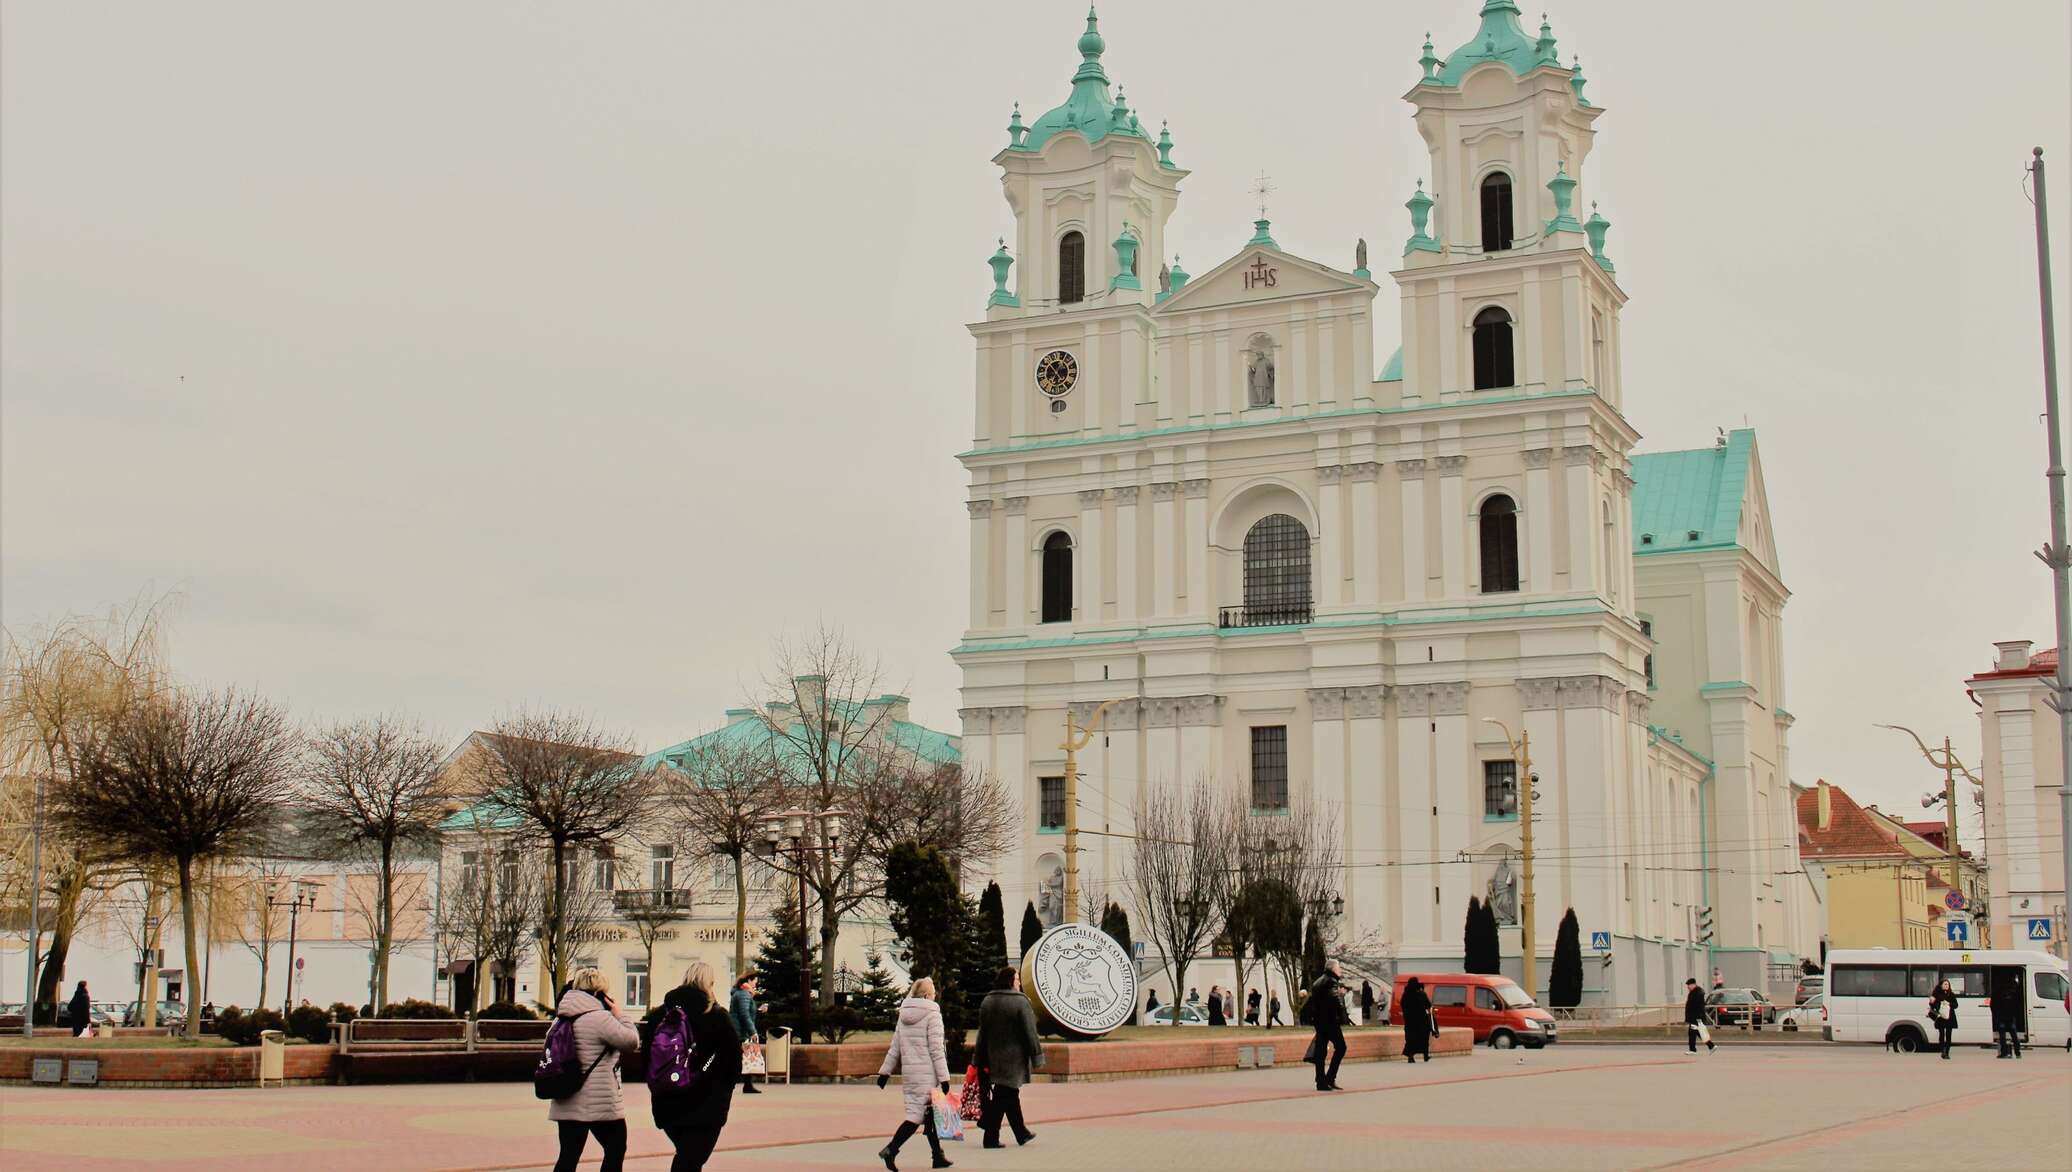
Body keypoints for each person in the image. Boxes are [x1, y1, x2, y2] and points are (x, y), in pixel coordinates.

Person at [641, 960, 741, 1172]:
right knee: (690, 1162)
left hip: (667, 1101)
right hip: (706, 1104)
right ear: (709, 984)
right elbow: (733, 1061)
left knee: (687, 1159)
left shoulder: (661, 1015)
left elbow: (646, 1055)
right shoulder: (716, 1015)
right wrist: (723, 1090)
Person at [547, 967, 642, 1172]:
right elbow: (632, 1041)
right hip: (600, 1104)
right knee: (615, 1150)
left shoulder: (560, 1019)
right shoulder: (600, 1018)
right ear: (600, 993)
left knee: (568, 1156)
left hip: (567, 1098)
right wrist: (620, 1014)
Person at [876, 976, 953, 1171]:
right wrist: (944, 1078)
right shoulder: (933, 1014)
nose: (935, 996)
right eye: (934, 992)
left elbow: (895, 1047)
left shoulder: (903, 1014)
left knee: (929, 1115)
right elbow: (936, 1049)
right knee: (917, 1116)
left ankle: (938, 1156)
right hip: (927, 1075)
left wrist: (885, 1072)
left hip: (910, 1074)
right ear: (927, 995)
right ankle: (891, 1149)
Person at [974, 966, 1043, 1149]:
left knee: (1009, 1094)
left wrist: (978, 1058)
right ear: (1011, 981)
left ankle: (1021, 1133)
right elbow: (1030, 1032)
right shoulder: (1020, 1002)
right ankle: (990, 1137)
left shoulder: (988, 1000)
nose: (1019, 982)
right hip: (1014, 1058)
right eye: (1017, 979)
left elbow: (982, 1033)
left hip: (992, 1056)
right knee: (1004, 1096)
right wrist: (1037, 1057)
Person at [1307, 959, 1347, 1091]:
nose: (1340, 970)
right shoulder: (1332, 981)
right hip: (1330, 1021)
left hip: (1319, 1021)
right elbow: (1335, 1000)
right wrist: (1342, 1013)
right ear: (1333, 969)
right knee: (1341, 1047)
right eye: (1339, 967)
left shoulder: (1317, 982)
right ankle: (1330, 1077)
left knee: (1321, 1051)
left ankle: (1320, 1081)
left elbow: (1316, 1002)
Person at [729, 973, 761, 1094]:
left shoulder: (741, 993)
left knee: (746, 1057)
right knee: (741, 1057)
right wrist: (752, 1031)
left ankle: (748, 1085)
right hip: (740, 1032)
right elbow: (744, 1014)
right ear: (749, 980)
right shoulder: (743, 994)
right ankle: (745, 1085)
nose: (755, 985)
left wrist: (758, 1010)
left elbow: (744, 1011)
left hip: (739, 1031)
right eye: (755, 982)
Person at [1400, 977, 1434, 1063]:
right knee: (1424, 1037)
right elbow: (1428, 1005)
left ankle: (1410, 1056)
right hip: (1421, 1020)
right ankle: (1425, 1055)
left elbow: (1402, 1005)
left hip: (1409, 1021)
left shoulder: (1405, 994)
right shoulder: (1421, 994)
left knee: (1411, 1039)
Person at [1991, 979, 2023, 1059]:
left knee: (2002, 1037)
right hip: (2011, 1018)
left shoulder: (1997, 994)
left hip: (2001, 1018)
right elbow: (2018, 1006)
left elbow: (1993, 1006)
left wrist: (1996, 1015)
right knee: (2014, 1036)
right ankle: (2018, 1053)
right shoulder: (2014, 994)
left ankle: (2004, 1053)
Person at [1928, 978, 1959, 1060]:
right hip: (1941, 1016)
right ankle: (1942, 1051)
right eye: (1945, 984)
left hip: (1950, 1017)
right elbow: (1932, 1005)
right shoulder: (1936, 994)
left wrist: (1948, 1003)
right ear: (1941, 985)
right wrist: (1932, 1002)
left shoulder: (1951, 994)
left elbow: (1956, 1005)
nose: (1946, 986)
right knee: (1941, 1034)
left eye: (1948, 984)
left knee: (1949, 1035)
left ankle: (1947, 1053)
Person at [1683, 977, 1713, 1055]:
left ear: (1693, 984)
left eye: (1689, 985)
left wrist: (1697, 1018)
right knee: (1698, 1032)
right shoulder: (1696, 992)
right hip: (1695, 1017)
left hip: (1696, 1018)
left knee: (1693, 1033)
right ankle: (1711, 1046)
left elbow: (1697, 1007)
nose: (1688, 987)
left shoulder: (1697, 993)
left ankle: (1693, 1050)